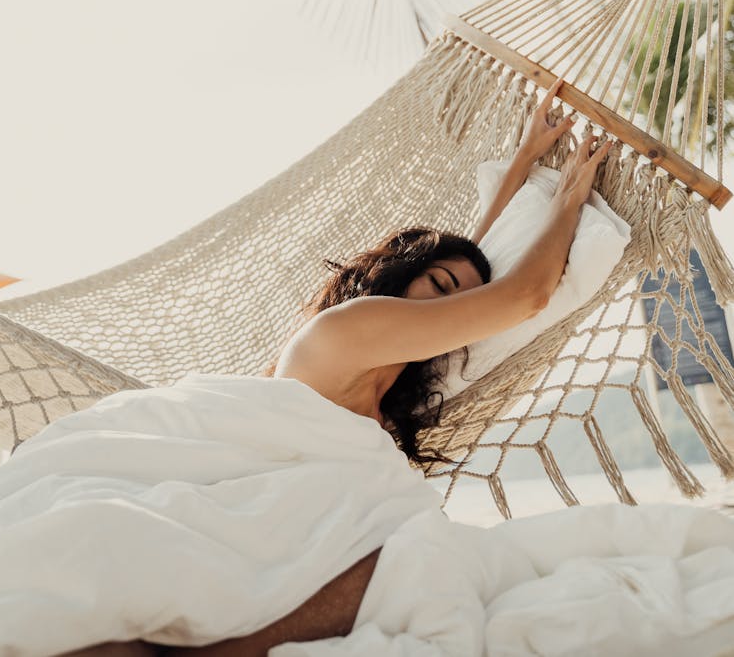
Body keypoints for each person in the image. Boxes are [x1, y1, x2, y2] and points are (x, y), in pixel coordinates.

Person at [61, 80, 610, 657]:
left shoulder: (396, 366)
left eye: (457, 300)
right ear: (399, 277)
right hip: (264, 512)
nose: (449, 310)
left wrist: (525, 159)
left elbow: (471, 261)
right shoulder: (353, 325)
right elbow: (524, 297)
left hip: (304, 526)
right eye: (440, 286)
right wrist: (568, 200)